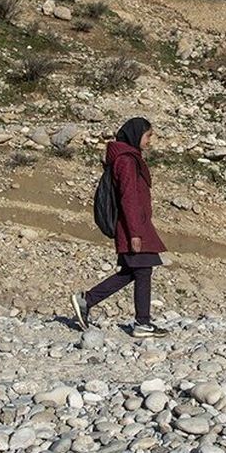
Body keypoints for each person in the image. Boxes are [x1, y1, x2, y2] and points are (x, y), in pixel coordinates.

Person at [71, 117, 169, 338]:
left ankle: (87, 299)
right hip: (133, 226)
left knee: (134, 270)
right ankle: (142, 323)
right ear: (136, 134)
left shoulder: (128, 158)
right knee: (143, 269)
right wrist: (134, 233)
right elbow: (128, 198)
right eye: (148, 135)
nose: (150, 140)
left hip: (136, 224)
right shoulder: (126, 160)